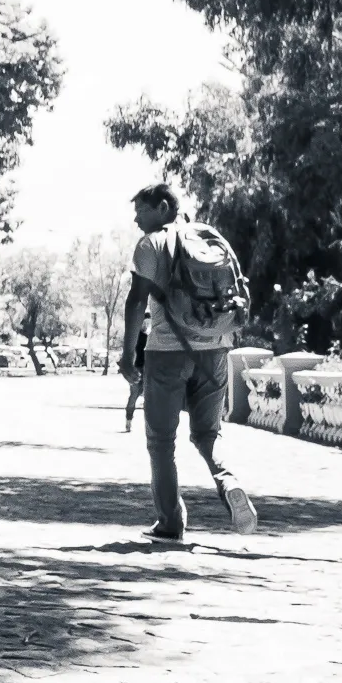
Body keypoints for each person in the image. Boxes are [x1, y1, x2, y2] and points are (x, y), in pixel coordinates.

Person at [119, 181, 260, 540]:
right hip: (215, 349)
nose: (136, 218)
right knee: (208, 433)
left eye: (142, 209)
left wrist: (127, 355)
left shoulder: (151, 244)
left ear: (164, 207)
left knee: (161, 441)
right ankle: (229, 483)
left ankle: (170, 523)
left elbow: (136, 300)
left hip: (167, 352)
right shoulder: (211, 239)